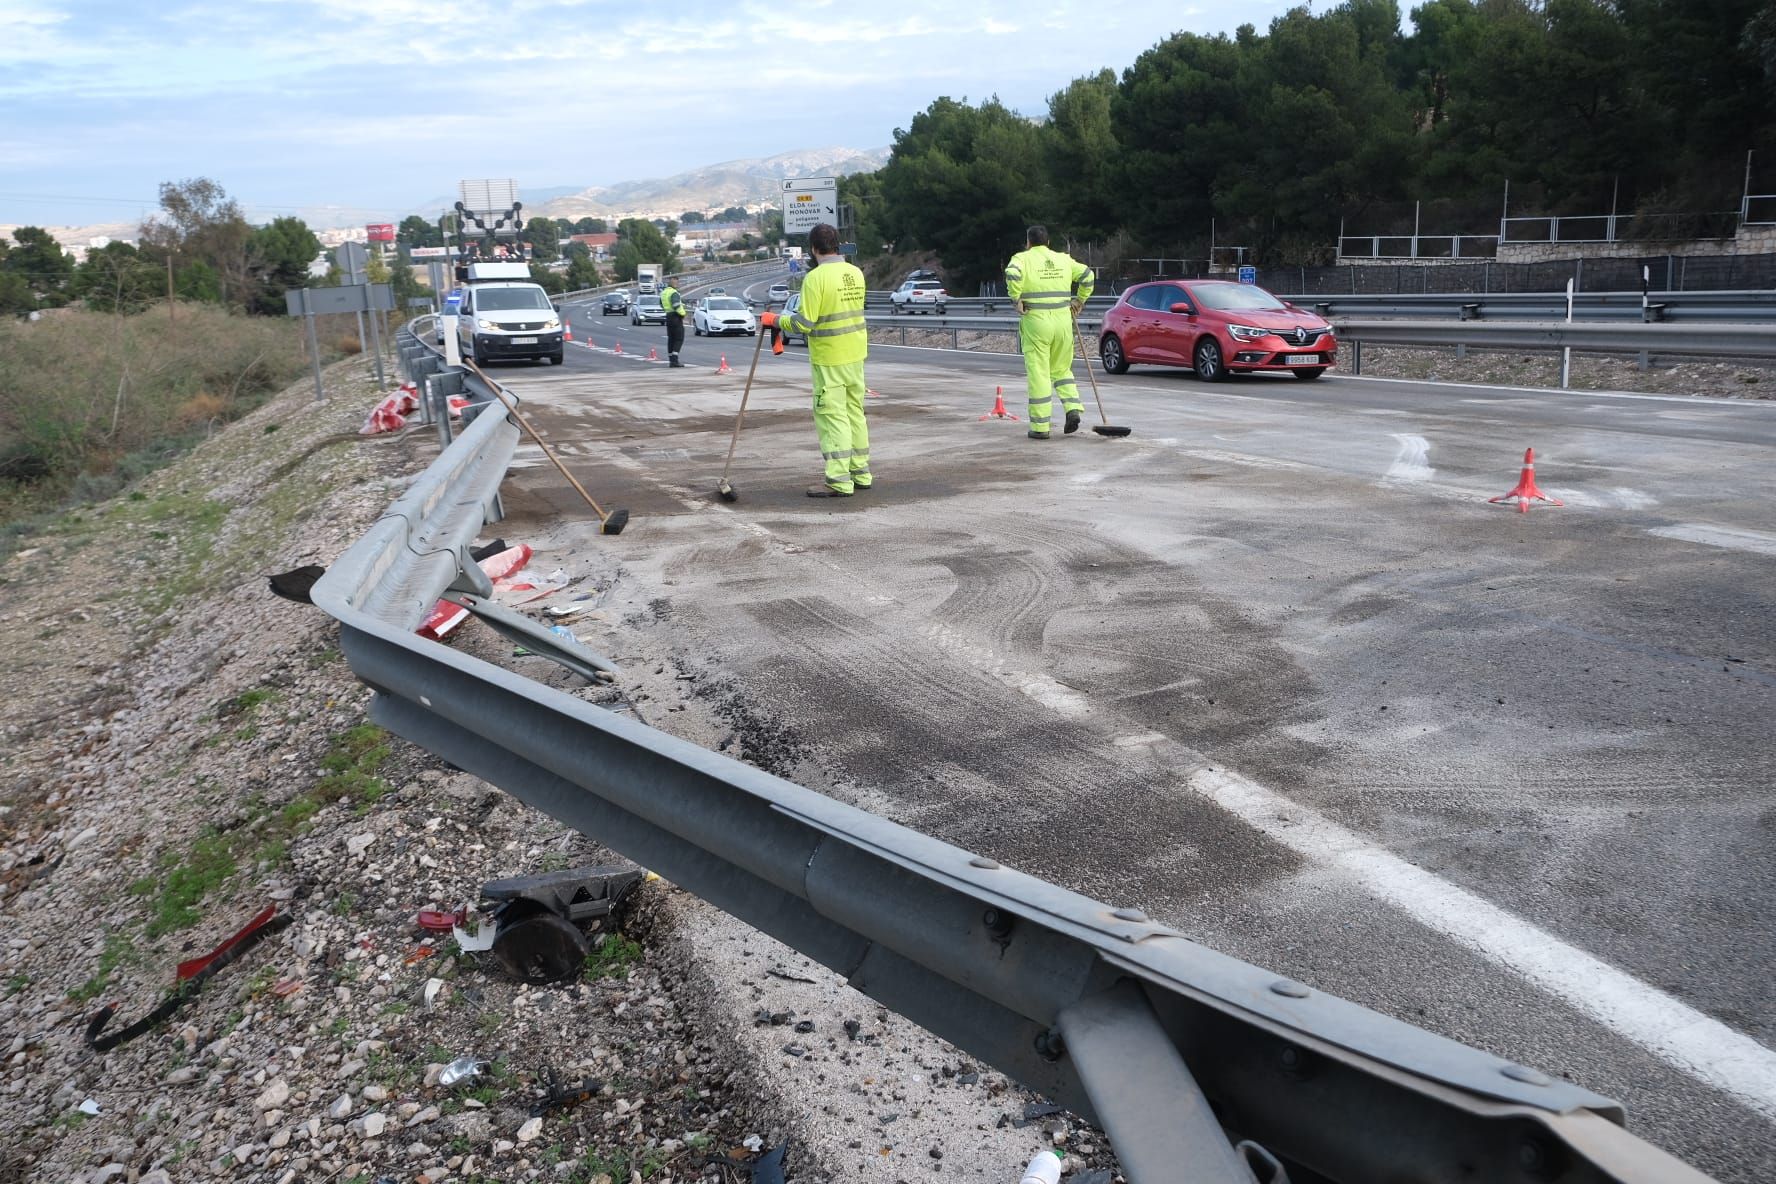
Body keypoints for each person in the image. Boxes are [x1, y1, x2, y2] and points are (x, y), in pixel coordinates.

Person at [760, 223, 872, 497]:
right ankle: (861, 473)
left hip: (830, 357)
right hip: (855, 353)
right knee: (855, 413)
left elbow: (805, 323)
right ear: (838, 244)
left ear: (813, 249)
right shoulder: (855, 273)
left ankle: (838, 480)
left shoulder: (816, 278)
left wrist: (775, 320)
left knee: (832, 417)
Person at [1004, 225, 1095, 439]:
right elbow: (1088, 277)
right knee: (1062, 370)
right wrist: (1079, 300)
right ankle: (1073, 408)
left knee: (1040, 374)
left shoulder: (1021, 259)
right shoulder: (1063, 259)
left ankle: (1040, 427)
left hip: (1037, 322)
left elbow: (1012, 274)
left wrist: (1016, 299)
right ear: (1048, 242)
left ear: (1028, 242)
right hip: (1063, 321)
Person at [660, 275, 687, 367]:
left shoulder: (664, 293)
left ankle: (671, 360)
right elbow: (676, 305)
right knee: (679, 338)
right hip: (676, 317)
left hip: (668, 316)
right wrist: (683, 313)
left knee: (671, 339)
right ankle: (675, 360)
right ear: (674, 283)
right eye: (676, 282)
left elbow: (661, 304)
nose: (677, 284)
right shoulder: (674, 293)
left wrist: (668, 310)